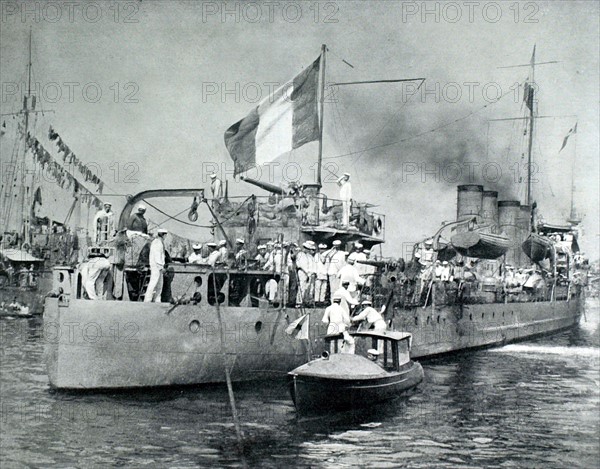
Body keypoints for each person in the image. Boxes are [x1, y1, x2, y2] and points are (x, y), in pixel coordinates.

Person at [144, 228, 168, 302]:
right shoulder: (157, 243)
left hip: (159, 266)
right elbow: (157, 256)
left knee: (159, 284)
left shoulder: (159, 242)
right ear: (163, 235)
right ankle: (147, 299)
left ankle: (157, 299)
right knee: (154, 282)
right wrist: (160, 267)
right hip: (156, 266)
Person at [295, 241, 316, 305]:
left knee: (307, 288)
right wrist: (307, 273)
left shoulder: (309, 256)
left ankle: (305, 301)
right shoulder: (300, 254)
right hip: (302, 272)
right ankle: (299, 302)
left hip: (308, 273)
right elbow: (301, 265)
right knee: (301, 287)